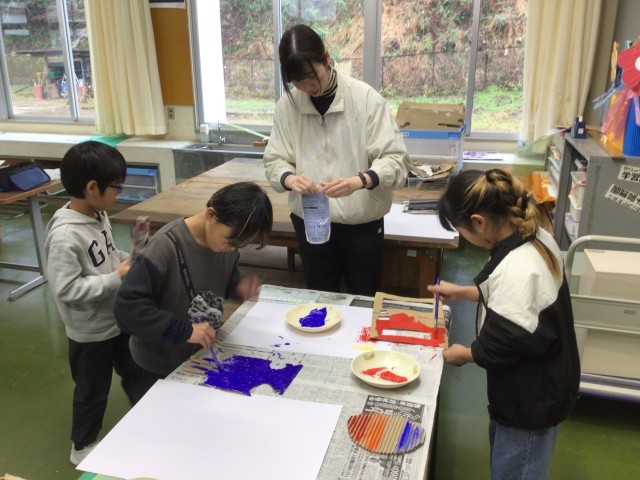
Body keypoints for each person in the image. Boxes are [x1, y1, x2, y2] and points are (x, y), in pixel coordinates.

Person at [427, 169, 580, 480]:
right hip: (540, 383)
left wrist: (465, 354)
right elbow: (521, 304)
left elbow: (504, 341)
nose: (463, 236)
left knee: (517, 468)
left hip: (531, 400)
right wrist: (466, 292)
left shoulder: (520, 268)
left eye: (460, 229)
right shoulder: (533, 236)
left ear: (478, 222)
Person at [263, 24, 410, 296]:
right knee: (320, 297)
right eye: (297, 81)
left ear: (327, 58)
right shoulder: (287, 107)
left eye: (312, 76)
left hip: (361, 224)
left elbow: (396, 161)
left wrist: (361, 180)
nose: (308, 87)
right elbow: (274, 160)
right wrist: (289, 178)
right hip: (311, 221)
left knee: (364, 297)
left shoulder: (366, 100)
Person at [114, 182, 273, 400]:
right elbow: (127, 309)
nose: (232, 249)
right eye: (230, 241)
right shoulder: (165, 247)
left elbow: (219, 279)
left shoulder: (225, 243)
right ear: (211, 215)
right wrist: (185, 330)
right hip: (157, 367)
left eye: (239, 245)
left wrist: (237, 287)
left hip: (199, 356)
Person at [44, 140, 139, 466]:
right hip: (90, 333)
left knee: (136, 372)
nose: (120, 193)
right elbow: (66, 289)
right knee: (92, 391)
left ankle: (148, 417)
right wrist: (117, 278)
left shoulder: (99, 214)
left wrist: (128, 260)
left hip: (116, 319)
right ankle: (82, 446)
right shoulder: (65, 236)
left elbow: (108, 256)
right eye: (117, 186)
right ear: (92, 187)